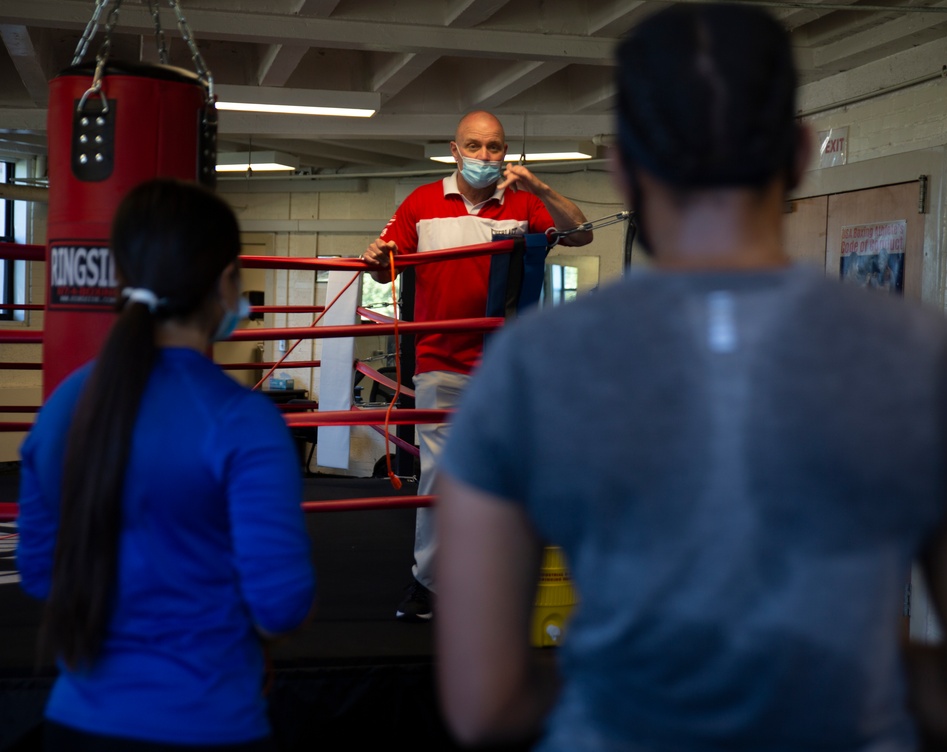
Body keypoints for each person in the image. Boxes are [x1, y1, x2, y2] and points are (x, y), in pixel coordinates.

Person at [434, 5, 947, 751]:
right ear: (799, 155)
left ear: (623, 169)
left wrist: (639, 682)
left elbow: (486, 704)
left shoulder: (532, 365)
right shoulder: (931, 356)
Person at [17, 179, 316, 750]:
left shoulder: (62, 410)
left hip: (75, 725)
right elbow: (280, 606)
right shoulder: (242, 421)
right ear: (225, 280)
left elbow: (37, 572)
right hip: (209, 725)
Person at [361, 110, 593, 621]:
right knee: (441, 477)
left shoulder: (524, 203)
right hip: (440, 361)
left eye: (495, 147)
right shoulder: (422, 203)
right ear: (455, 149)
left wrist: (542, 187)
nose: (486, 157)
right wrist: (378, 257)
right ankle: (428, 583)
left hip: (503, 366)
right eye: (475, 146)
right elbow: (384, 259)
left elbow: (581, 235)